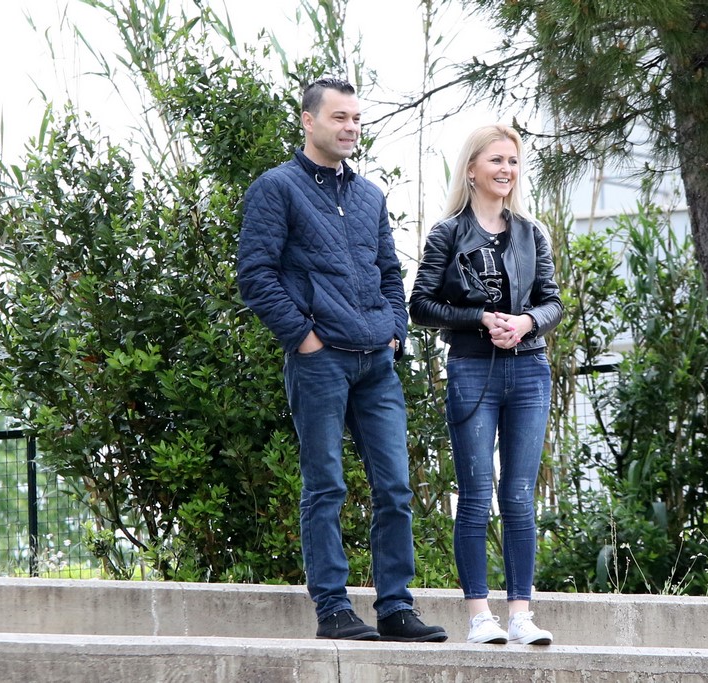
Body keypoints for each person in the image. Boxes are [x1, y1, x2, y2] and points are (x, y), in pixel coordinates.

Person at [237, 77, 446, 643]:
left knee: (395, 489)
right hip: (320, 360)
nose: (351, 127)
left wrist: (395, 333)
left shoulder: (369, 195)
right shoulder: (276, 188)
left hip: (376, 362)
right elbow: (255, 275)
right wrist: (303, 338)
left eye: (356, 118)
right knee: (326, 487)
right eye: (339, 117)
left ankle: (396, 608)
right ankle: (332, 609)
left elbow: (389, 271)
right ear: (309, 121)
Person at [409, 124, 563, 645]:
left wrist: (526, 322)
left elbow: (553, 302)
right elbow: (420, 305)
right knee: (475, 494)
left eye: (513, 161)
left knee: (518, 495)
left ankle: (520, 613)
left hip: (529, 370)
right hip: (472, 370)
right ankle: (479, 616)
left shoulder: (531, 233)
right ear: (472, 168)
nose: (506, 169)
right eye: (496, 160)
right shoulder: (447, 234)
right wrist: (479, 318)